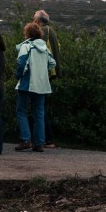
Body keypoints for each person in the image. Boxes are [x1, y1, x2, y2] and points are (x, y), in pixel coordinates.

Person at [15, 22, 56, 153]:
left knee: (21, 111)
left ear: (27, 33)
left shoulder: (26, 46)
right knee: (39, 113)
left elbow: (21, 64)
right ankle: (39, 143)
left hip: (27, 83)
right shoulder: (45, 48)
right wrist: (43, 72)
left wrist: (17, 76)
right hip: (42, 84)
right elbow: (52, 63)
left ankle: (26, 139)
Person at [33, 10, 61, 148]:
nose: (33, 21)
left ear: (39, 21)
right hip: (51, 72)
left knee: (39, 107)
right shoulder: (52, 31)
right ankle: (46, 139)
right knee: (42, 106)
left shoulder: (42, 32)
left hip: (43, 73)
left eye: (34, 19)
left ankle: (45, 139)